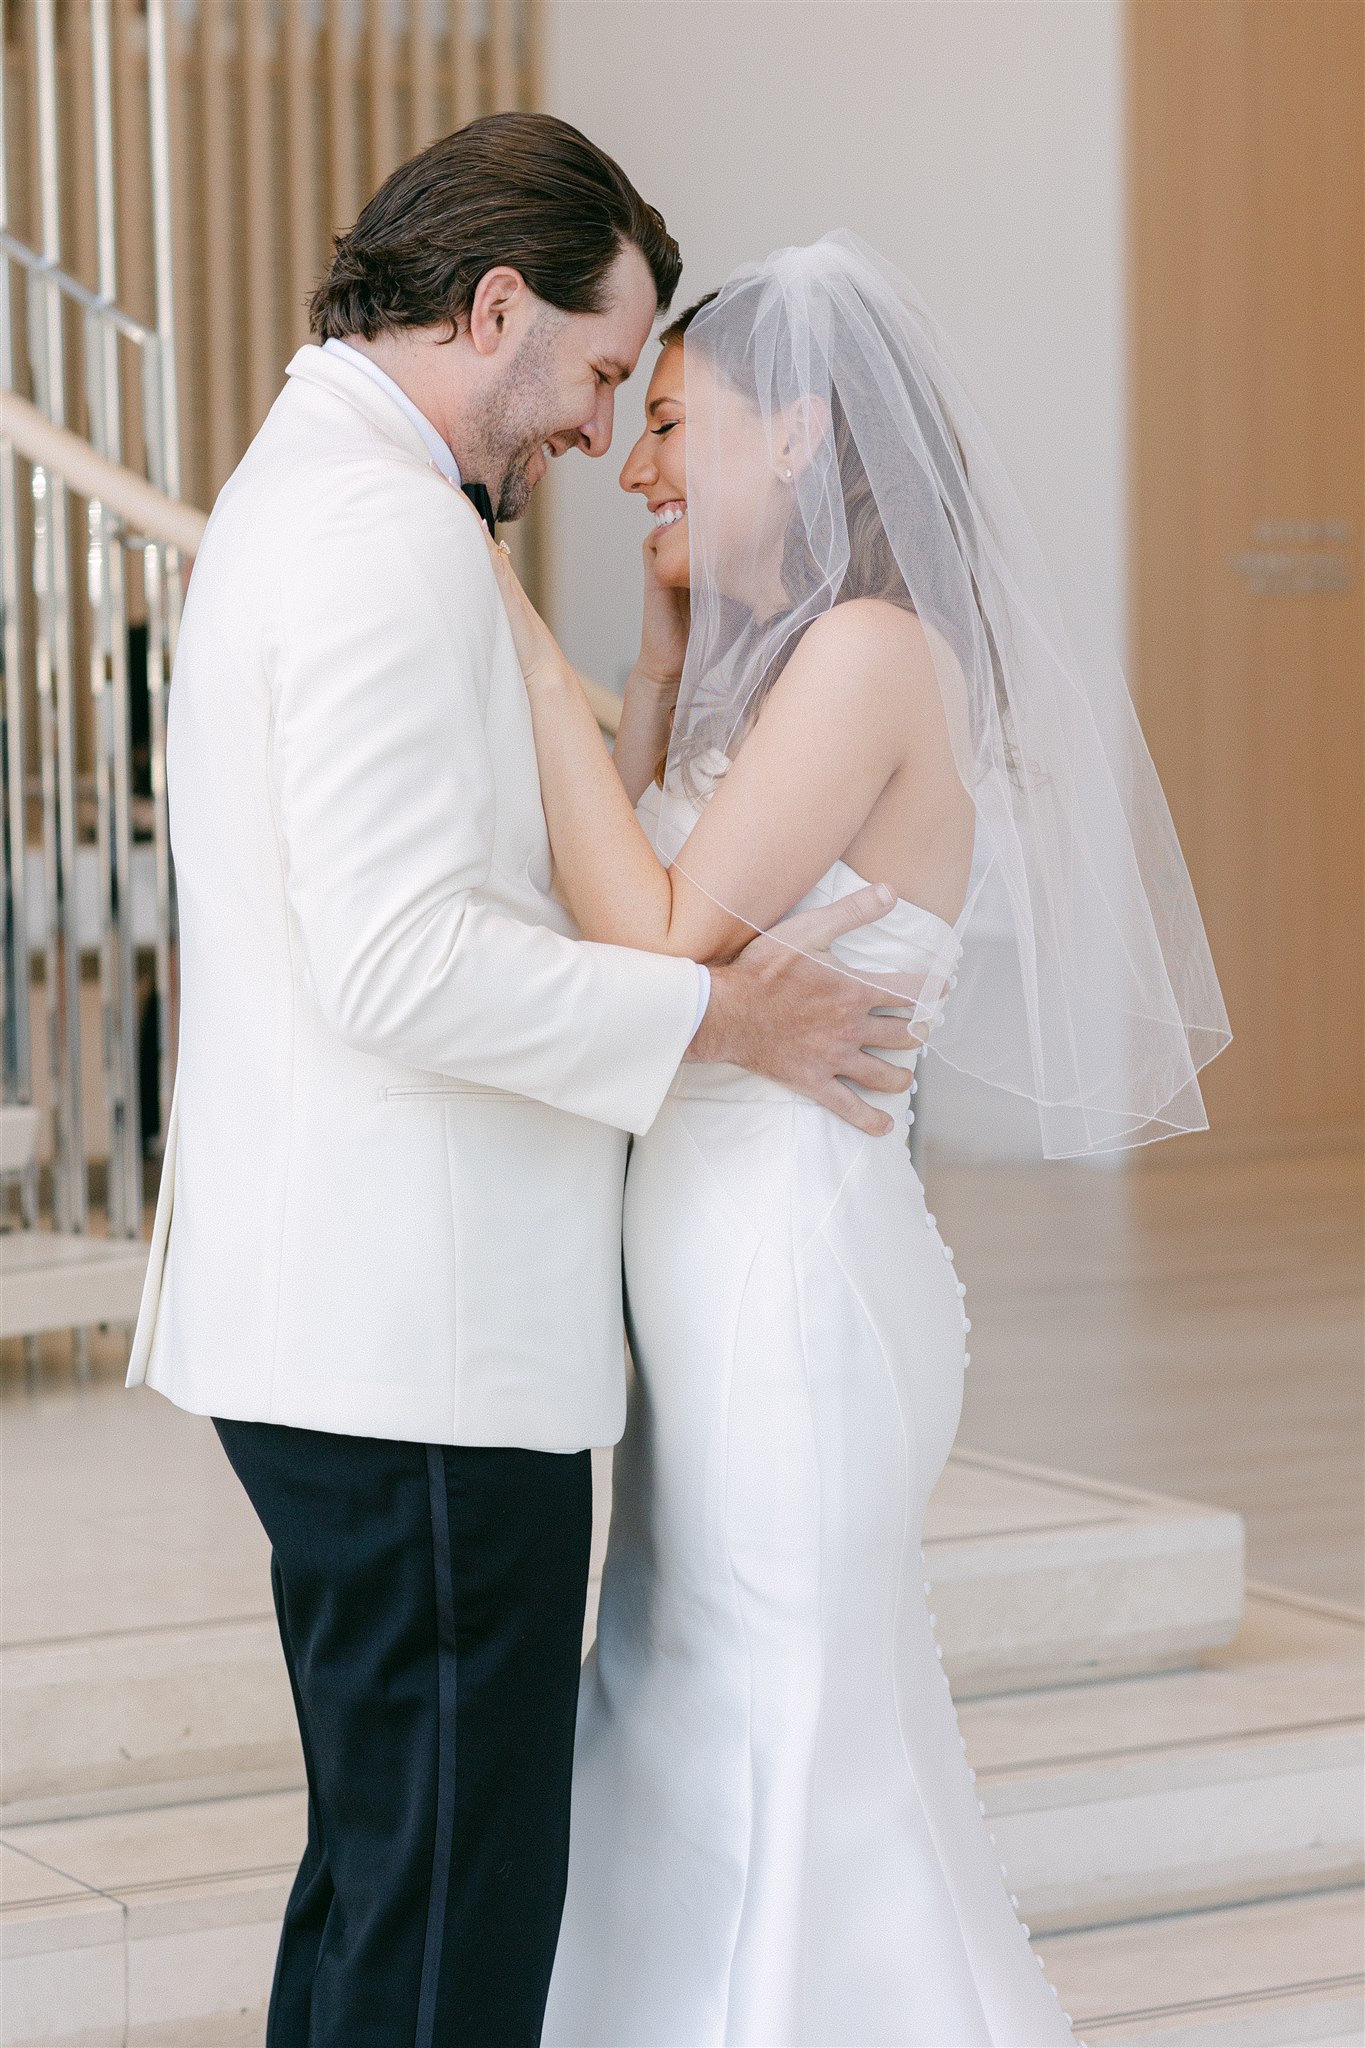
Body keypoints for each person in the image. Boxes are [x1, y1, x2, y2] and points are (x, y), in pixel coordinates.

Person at [124, 135, 922, 2048]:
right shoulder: (388, 533)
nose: (595, 430)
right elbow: (399, 962)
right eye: (591, 371)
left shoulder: (332, 493)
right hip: (416, 1339)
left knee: (387, 1874)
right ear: (495, 312)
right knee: (448, 1912)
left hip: (362, 1320)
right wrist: (718, 1029)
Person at [486, 231, 1229, 2047]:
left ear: (801, 434)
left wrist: (513, 643)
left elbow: (654, 937)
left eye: (674, 424)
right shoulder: (774, 669)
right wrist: (650, 660)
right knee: (685, 1688)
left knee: (780, 1714)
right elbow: (641, 926)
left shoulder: (872, 656)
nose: (641, 466)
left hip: (788, 1282)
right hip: (720, 1274)